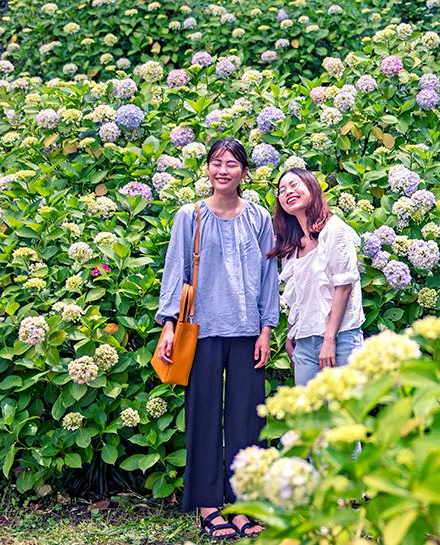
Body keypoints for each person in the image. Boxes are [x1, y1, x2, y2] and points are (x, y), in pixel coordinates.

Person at [155, 138, 277, 540]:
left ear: (244, 172)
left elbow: (267, 278)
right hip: (201, 331)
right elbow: (176, 271)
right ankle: (209, 505)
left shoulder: (259, 218)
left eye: (231, 164)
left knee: (247, 421)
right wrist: (169, 325)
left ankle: (243, 505)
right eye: (216, 163)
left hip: (247, 333)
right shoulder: (189, 216)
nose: (222, 170)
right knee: (204, 418)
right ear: (207, 168)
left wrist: (266, 329)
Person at [270, 168, 365, 385]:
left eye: (294, 185)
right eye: (282, 190)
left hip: (341, 339)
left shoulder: (335, 230)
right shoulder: (292, 246)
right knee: (308, 416)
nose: (288, 192)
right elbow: (303, 297)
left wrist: (329, 339)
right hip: (304, 344)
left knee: (346, 414)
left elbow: (344, 286)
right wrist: (292, 333)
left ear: (312, 187)